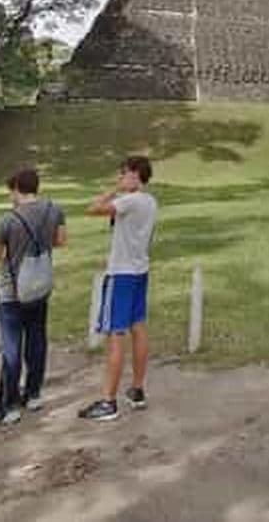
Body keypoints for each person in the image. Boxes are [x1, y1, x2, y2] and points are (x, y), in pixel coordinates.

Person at [0, 166, 66, 425]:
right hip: (40, 285)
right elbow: (60, 241)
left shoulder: (7, 220)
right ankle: (34, 393)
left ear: (17, 188)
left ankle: (9, 405)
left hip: (12, 291)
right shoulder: (54, 210)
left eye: (11, 191)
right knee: (37, 338)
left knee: (11, 347)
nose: (10, 196)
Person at [79, 155, 157, 422]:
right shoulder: (149, 201)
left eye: (124, 173)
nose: (120, 177)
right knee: (138, 327)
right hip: (139, 271)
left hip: (121, 273)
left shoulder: (130, 201)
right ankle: (137, 389)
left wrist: (115, 189)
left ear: (135, 174)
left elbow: (92, 208)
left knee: (115, 333)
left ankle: (108, 401)